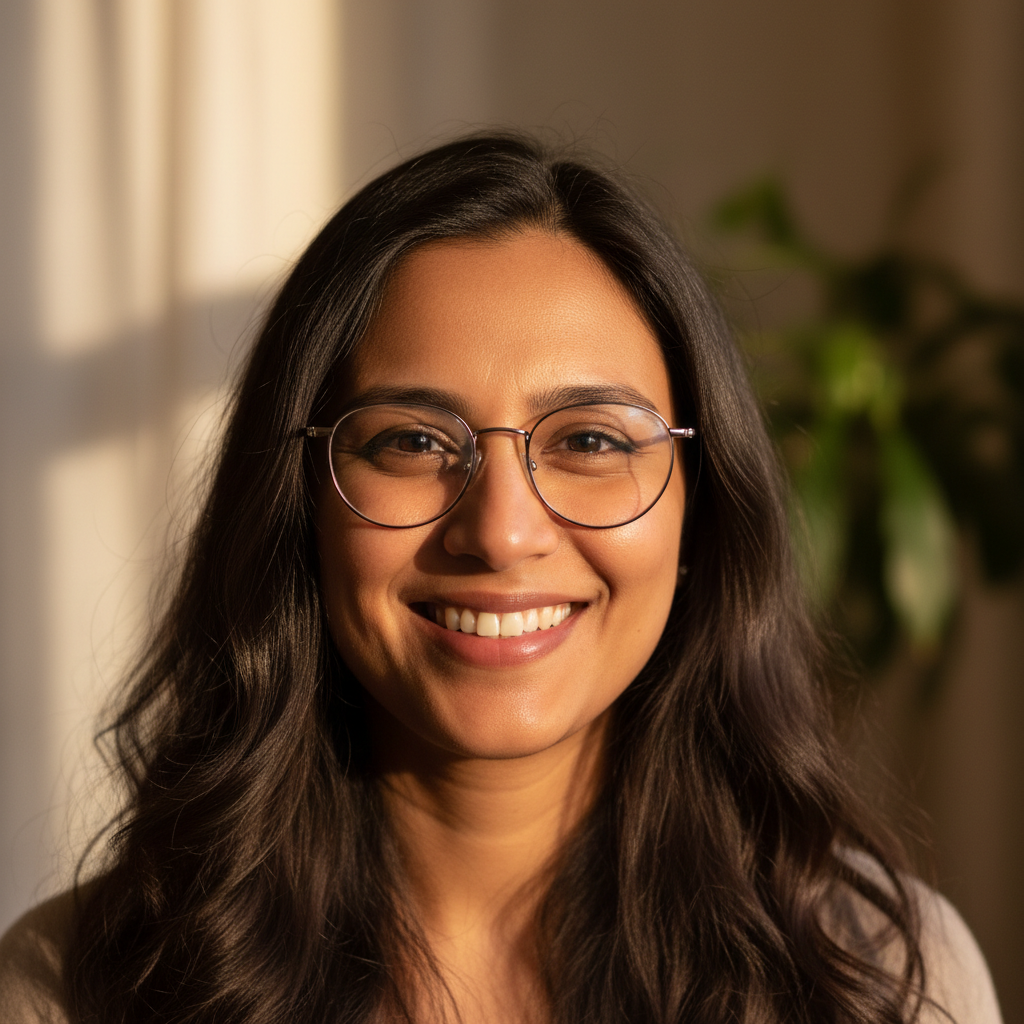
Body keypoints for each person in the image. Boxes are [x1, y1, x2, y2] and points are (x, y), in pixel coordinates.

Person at [0, 133, 1002, 1024]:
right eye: (412, 441)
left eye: (592, 440)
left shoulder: (877, 975)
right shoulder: (77, 990)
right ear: (298, 505)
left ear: (699, 506)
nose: (502, 531)